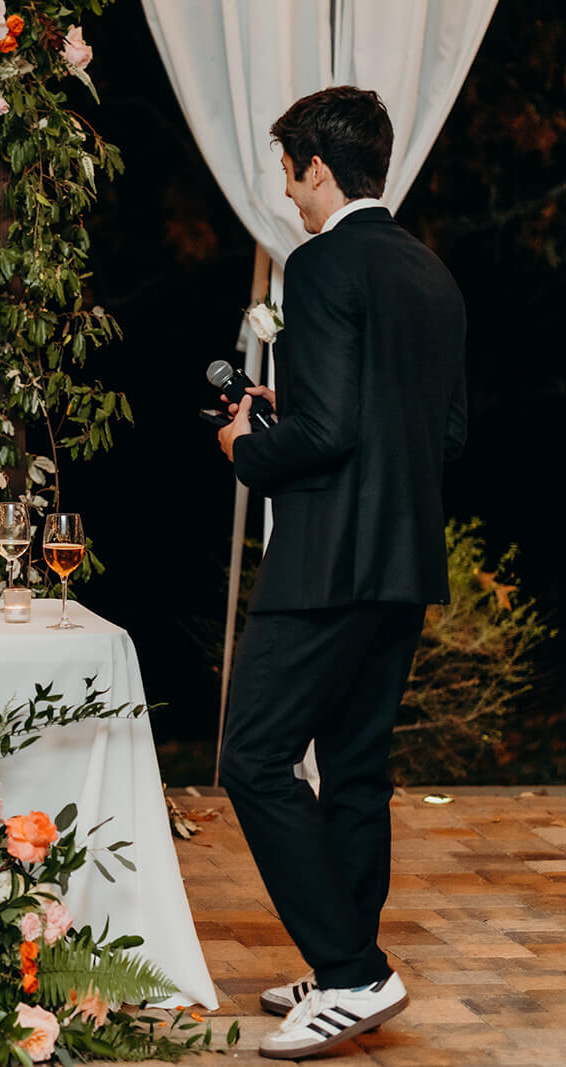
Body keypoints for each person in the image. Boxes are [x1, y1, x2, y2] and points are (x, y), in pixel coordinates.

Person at [213, 87, 466, 1061]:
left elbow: (324, 435)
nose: (286, 193)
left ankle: (355, 970)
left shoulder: (319, 265)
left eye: (288, 173)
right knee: (356, 772)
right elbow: (442, 433)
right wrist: (303, 411)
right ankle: (342, 965)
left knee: (252, 756)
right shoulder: (431, 273)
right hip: (405, 562)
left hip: (326, 563)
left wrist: (247, 444)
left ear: (318, 166)